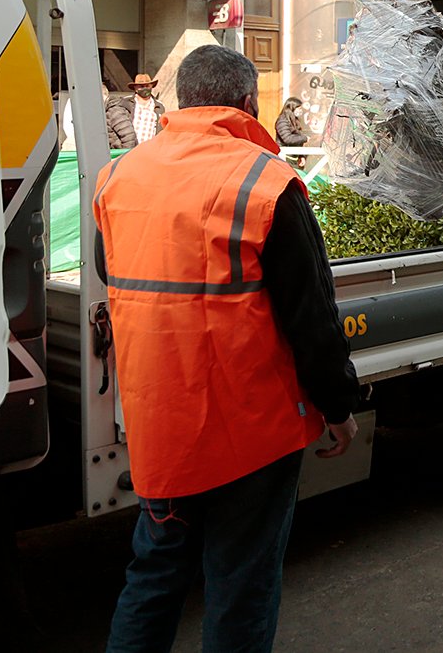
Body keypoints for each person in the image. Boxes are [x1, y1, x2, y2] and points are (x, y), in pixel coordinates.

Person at [93, 45, 359, 652]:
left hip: (161, 429)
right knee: (241, 589)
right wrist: (339, 408)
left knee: (153, 577)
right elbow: (312, 318)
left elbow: (118, 276)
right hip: (250, 436)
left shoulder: (117, 177)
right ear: (246, 103)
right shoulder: (267, 183)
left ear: (180, 100)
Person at [124, 73, 165, 146]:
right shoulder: (126, 103)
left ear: (151, 86)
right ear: (135, 88)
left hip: (150, 148)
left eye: (147, 86)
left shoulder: (159, 106)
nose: (145, 88)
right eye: (141, 86)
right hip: (130, 148)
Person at [104, 83, 138, 150]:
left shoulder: (114, 111)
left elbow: (129, 136)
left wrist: (125, 154)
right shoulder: (108, 110)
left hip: (122, 152)